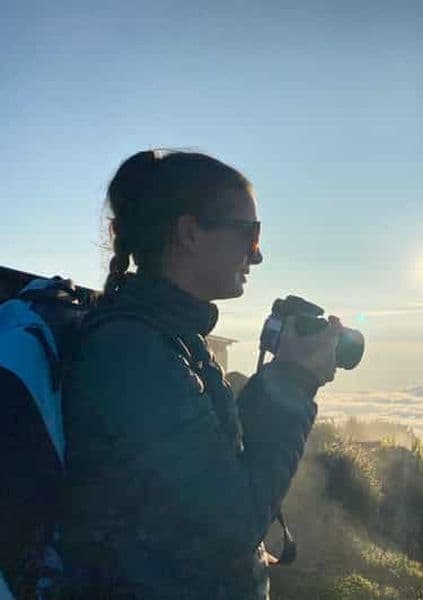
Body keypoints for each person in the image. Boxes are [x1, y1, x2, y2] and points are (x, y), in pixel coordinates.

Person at [60, 150, 342, 598]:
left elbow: (216, 469)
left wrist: (278, 381)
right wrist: (293, 382)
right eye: (250, 234)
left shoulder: (170, 340)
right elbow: (231, 525)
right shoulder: (134, 354)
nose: (257, 255)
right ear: (189, 233)